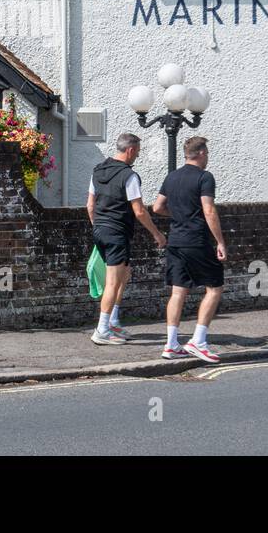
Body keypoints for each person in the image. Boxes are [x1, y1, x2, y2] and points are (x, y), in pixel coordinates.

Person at [152, 137, 227, 363]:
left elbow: (157, 207)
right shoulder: (205, 177)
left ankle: (171, 344)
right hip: (196, 241)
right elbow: (209, 210)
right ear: (202, 153)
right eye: (208, 153)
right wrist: (221, 242)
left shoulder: (172, 177)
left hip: (175, 241)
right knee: (214, 288)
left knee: (178, 292)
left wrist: (180, 215)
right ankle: (198, 341)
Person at [87, 132, 167, 344]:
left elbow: (90, 206)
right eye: (137, 153)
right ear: (130, 150)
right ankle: (102, 330)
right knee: (113, 281)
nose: (137, 157)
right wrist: (157, 233)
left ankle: (112, 322)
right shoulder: (129, 176)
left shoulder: (97, 170)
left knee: (124, 274)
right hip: (116, 232)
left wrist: (99, 228)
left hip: (100, 230)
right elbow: (139, 210)